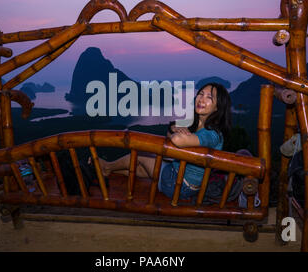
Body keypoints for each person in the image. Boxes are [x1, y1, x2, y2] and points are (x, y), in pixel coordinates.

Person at [97, 82, 232, 200]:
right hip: (181, 179)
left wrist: (177, 132)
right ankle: (108, 168)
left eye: (209, 97)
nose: (201, 99)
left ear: (218, 107)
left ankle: (107, 167)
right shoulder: (197, 125)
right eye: (201, 94)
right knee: (140, 169)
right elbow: (171, 133)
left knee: (140, 156)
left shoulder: (212, 133)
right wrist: (175, 129)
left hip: (178, 183)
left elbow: (177, 140)